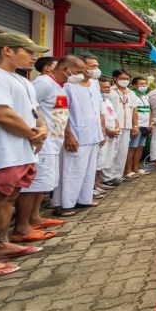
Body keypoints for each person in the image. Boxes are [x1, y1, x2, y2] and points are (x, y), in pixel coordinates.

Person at [0, 33, 49, 276]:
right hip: (1, 151)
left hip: (22, 151)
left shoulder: (23, 80)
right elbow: (2, 114)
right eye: (28, 51)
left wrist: (42, 129)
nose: (33, 56)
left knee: (9, 199)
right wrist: (31, 134)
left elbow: (36, 113)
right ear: (7, 50)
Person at [15, 55, 85, 239]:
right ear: (65, 69)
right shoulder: (43, 84)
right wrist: (35, 133)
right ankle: (22, 227)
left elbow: (61, 113)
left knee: (44, 183)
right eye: (77, 72)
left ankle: (35, 218)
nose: (79, 76)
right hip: (41, 143)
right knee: (33, 185)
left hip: (54, 142)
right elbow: (27, 109)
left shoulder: (61, 87)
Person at [54, 54, 104, 215]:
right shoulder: (68, 85)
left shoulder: (94, 84)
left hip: (93, 134)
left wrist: (101, 131)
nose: (95, 70)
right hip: (76, 134)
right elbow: (62, 111)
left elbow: (98, 110)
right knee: (71, 170)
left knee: (88, 170)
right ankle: (65, 204)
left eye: (96, 66)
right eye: (91, 66)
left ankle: (84, 200)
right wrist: (68, 134)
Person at [102, 69, 138, 184]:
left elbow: (134, 110)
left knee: (122, 152)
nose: (124, 81)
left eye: (127, 79)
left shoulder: (131, 93)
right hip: (113, 126)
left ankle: (117, 175)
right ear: (115, 78)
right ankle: (107, 177)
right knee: (111, 152)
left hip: (127, 126)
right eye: (122, 78)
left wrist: (135, 125)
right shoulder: (110, 91)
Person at [96, 78, 120, 191]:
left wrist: (117, 128)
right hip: (103, 134)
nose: (106, 89)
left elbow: (114, 117)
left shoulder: (108, 101)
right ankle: (94, 186)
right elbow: (98, 119)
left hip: (112, 134)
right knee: (98, 161)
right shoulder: (97, 101)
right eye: (104, 87)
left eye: (108, 87)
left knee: (105, 160)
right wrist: (107, 131)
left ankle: (99, 183)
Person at [125, 77, 151, 177]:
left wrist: (150, 124)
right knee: (132, 147)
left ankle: (135, 167)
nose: (144, 86)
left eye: (145, 84)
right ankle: (128, 169)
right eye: (141, 84)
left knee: (140, 147)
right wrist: (134, 125)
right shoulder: (132, 95)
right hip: (136, 125)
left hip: (145, 126)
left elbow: (149, 110)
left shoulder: (145, 96)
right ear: (135, 85)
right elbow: (132, 111)